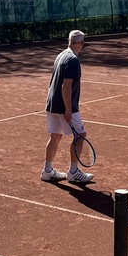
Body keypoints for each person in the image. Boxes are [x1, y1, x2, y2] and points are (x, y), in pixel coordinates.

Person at [41, 29, 94, 185]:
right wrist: (68, 109)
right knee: (80, 135)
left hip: (52, 103)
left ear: (69, 41)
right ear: (82, 44)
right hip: (64, 105)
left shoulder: (61, 55)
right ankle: (73, 172)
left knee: (55, 136)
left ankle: (47, 171)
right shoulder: (73, 60)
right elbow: (66, 86)